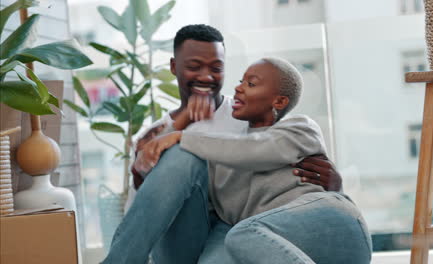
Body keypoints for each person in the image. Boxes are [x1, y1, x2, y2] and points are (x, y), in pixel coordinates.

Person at [102, 24, 344, 264]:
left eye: (216, 68)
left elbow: (273, 154)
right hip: (183, 243)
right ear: (174, 67)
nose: (206, 76)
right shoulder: (158, 134)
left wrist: (334, 186)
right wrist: (144, 165)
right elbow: (140, 220)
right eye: (194, 67)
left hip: (237, 234)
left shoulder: (248, 114)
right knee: (181, 155)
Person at [141, 57, 372, 263]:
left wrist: (182, 137)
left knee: (243, 233)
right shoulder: (222, 164)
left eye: (250, 84)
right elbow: (194, 193)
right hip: (274, 240)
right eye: (241, 81)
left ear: (279, 102)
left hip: (333, 225)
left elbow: (252, 151)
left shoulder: (298, 128)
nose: (238, 88)